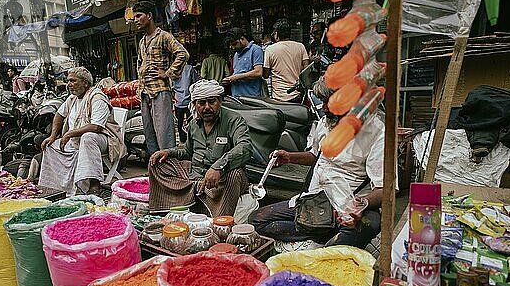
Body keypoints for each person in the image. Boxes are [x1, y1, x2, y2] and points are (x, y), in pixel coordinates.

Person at [249, 79, 384, 249]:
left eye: (330, 102)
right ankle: (320, 231)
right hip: (314, 199)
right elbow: (316, 155)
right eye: (323, 101)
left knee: (370, 223)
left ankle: (325, 232)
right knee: (257, 220)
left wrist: (361, 203)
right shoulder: (326, 122)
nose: (324, 108)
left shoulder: (377, 133)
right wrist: (290, 157)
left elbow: (383, 190)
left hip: (345, 204)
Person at [148, 79, 253, 217]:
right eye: (202, 103)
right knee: (158, 163)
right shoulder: (193, 124)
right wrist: (168, 152)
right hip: (195, 175)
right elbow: (188, 152)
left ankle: (221, 221)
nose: (207, 107)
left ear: (220, 101)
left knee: (235, 174)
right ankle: (178, 205)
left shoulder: (233, 120)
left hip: (221, 178)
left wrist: (218, 167)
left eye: (212, 101)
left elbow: (245, 147)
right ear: (195, 105)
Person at [38, 67, 125, 195]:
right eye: (68, 81)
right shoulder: (72, 98)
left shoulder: (97, 97)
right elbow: (59, 115)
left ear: (85, 83)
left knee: (88, 137)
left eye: (73, 81)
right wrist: (52, 136)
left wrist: (69, 133)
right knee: (50, 146)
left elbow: (96, 127)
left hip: (104, 140)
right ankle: (58, 187)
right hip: (76, 140)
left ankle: (94, 183)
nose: (69, 84)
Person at [133, 0, 189, 155]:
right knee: (150, 135)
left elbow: (182, 54)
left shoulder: (164, 36)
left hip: (160, 91)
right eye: (135, 17)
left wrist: (168, 73)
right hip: (145, 93)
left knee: (164, 134)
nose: (136, 20)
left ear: (149, 16)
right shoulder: (142, 41)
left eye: (139, 16)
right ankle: (156, 171)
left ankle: (169, 171)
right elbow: (140, 63)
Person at [263, 19, 309, 103]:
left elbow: (266, 75)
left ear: (276, 34)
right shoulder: (300, 46)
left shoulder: (270, 50)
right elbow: (306, 69)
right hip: (298, 94)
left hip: (279, 96)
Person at [222, 28, 264, 97]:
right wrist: (229, 79)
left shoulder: (255, 49)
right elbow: (237, 73)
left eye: (235, 44)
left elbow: (258, 72)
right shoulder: (236, 54)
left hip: (251, 97)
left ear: (242, 39)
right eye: (231, 45)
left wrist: (236, 77)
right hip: (236, 96)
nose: (233, 47)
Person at [173, 63, 198, 143]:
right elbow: (195, 83)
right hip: (189, 101)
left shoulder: (173, 69)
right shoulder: (190, 68)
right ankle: (191, 140)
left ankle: (183, 140)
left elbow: (171, 85)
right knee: (191, 122)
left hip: (178, 100)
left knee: (179, 123)